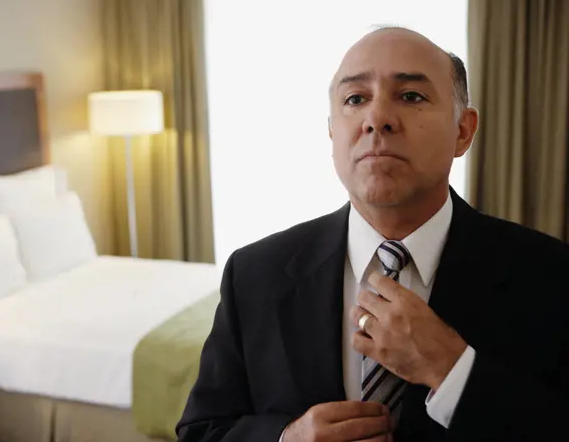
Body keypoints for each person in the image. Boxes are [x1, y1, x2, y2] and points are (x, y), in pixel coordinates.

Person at [176, 27, 569, 442]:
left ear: (463, 130)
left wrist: (454, 371)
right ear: (332, 131)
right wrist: (285, 439)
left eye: (411, 96)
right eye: (355, 99)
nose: (376, 118)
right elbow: (201, 431)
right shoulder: (253, 275)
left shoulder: (549, 274)